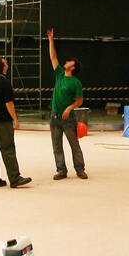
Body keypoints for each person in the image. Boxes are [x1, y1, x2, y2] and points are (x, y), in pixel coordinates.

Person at [0, 55, 31, 190]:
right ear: (3, 67)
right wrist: (15, 119)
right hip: (2, 121)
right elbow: (9, 103)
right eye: (6, 63)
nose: (8, 65)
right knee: (8, 149)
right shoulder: (5, 82)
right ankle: (15, 178)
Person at [47, 28, 87, 180]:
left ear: (73, 67)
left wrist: (70, 108)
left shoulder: (75, 82)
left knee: (74, 144)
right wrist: (51, 40)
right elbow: (53, 58)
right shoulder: (59, 75)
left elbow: (79, 100)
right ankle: (61, 170)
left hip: (68, 118)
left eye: (69, 61)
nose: (66, 61)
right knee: (56, 146)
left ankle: (80, 169)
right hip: (54, 116)